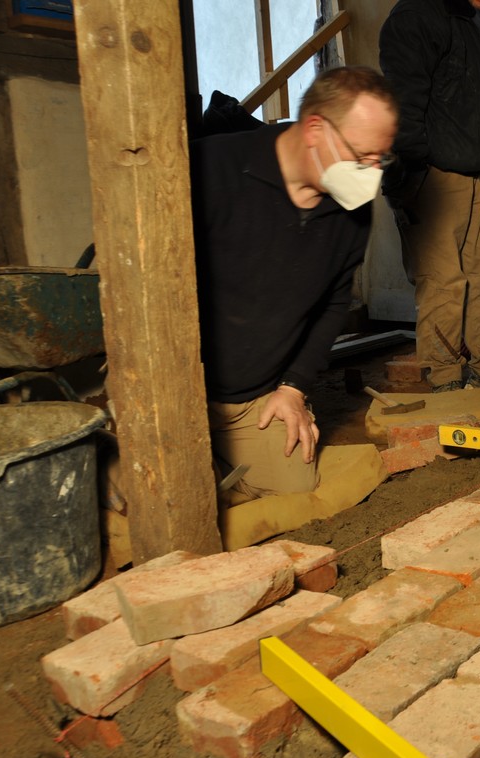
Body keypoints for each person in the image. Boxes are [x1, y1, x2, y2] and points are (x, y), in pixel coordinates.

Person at [190, 66, 398, 502]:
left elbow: (334, 304)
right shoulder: (207, 169)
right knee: (177, 502)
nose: (371, 175)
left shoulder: (352, 209)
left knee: (293, 490)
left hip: (252, 397)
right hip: (178, 389)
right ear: (315, 130)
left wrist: (293, 387)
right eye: (362, 158)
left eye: (382, 159)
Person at [379, 0, 480, 392]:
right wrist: (409, 177)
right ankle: (444, 378)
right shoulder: (418, 16)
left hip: (472, 168)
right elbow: (400, 106)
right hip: (428, 171)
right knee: (443, 281)